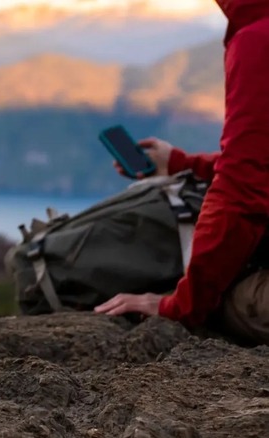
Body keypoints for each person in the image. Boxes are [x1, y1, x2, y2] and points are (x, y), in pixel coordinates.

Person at [94, 0, 269, 343]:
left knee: (229, 301)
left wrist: (181, 306)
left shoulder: (258, 39)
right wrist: (185, 165)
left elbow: (243, 190)